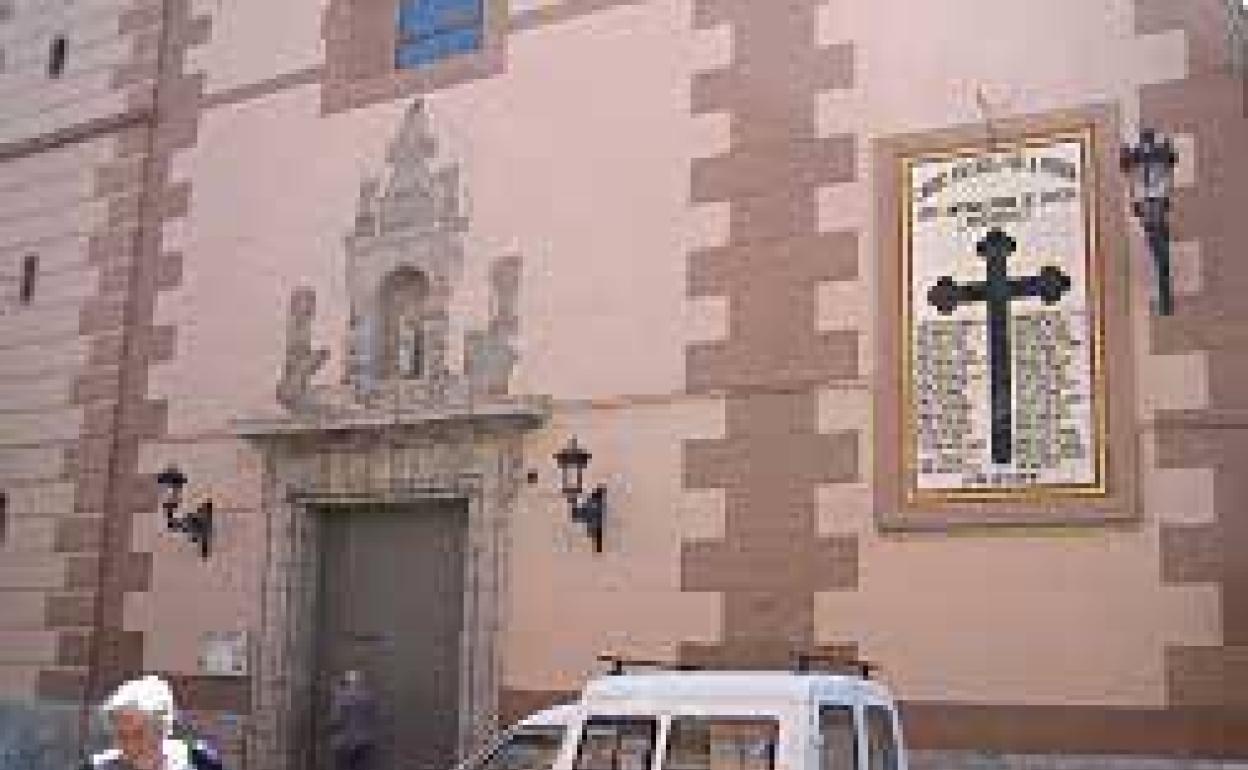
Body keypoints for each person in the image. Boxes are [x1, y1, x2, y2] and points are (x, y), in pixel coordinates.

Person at [82, 675, 226, 770]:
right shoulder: (99, 766)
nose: (131, 745)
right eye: (121, 735)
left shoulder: (198, 760)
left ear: (163, 729)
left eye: (140, 734)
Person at [329, 669, 379, 770]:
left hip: (346, 741)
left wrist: (336, 691)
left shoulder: (342, 697)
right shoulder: (369, 696)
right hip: (365, 740)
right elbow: (373, 717)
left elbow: (336, 719)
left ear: (348, 683)